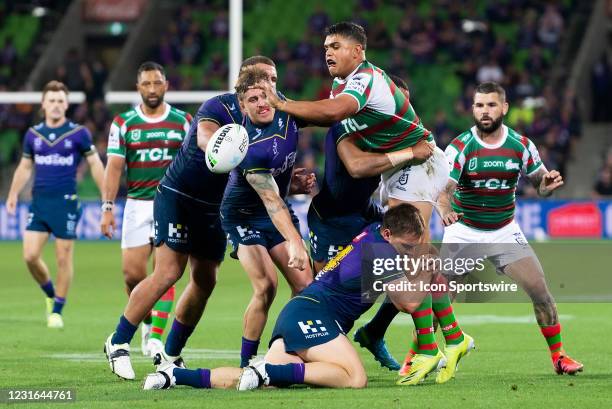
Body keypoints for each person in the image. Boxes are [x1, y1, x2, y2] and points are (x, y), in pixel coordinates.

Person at [262, 22, 471, 379]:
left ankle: (431, 346)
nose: (328, 50)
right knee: (393, 265)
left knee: (409, 257)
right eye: (326, 45)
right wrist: (273, 121)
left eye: (337, 45)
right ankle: (442, 339)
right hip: (337, 215)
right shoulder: (344, 93)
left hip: (416, 166)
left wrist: (280, 102)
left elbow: (336, 126)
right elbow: (325, 118)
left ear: (358, 51)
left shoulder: (361, 85)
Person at [103, 56, 314, 380]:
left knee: (205, 281)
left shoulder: (271, 116)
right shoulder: (219, 107)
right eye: (254, 85)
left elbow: (265, 174)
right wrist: (217, 147)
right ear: (241, 87)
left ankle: (170, 355)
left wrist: (290, 181)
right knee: (168, 272)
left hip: (214, 207)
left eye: (269, 82)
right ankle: (118, 342)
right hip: (179, 197)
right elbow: (204, 134)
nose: (263, 91)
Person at [142, 204, 443, 390]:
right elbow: (409, 303)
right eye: (406, 247)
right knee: (354, 378)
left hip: (299, 312)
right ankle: (267, 369)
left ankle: (175, 377)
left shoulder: (375, 233)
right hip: (315, 316)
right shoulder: (382, 251)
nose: (408, 253)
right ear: (388, 234)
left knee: (261, 383)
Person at [439, 81, 583, 375]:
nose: (485, 111)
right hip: (464, 230)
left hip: (505, 231)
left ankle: (559, 357)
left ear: (504, 108)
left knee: (540, 292)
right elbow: (444, 190)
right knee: (439, 296)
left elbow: (540, 183)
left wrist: (548, 184)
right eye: (479, 105)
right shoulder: (460, 146)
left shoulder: (521, 145)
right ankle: (421, 354)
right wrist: (445, 209)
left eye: (491, 105)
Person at [221, 66, 313, 369]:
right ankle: (247, 364)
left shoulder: (285, 108)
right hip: (243, 217)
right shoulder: (248, 147)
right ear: (243, 107)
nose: (262, 103)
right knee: (266, 286)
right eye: (253, 99)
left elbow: (322, 115)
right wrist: (295, 242)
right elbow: (271, 201)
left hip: (276, 209)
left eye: (265, 95)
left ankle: (280, 351)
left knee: (305, 286)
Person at [100, 62, 192, 356]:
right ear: (138, 87)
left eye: (157, 83)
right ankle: (144, 319)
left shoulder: (183, 122)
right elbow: (114, 168)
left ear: (166, 84)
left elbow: (194, 164)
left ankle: (155, 336)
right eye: (146, 84)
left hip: (172, 203)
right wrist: (107, 206)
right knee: (132, 274)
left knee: (167, 271)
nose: (152, 89)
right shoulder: (124, 123)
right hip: (137, 205)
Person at [6, 80, 104, 329]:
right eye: (52, 101)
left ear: (67, 104)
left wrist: (107, 195)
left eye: (61, 101)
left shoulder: (79, 133)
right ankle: (50, 293)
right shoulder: (33, 135)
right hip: (40, 203)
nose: (56, 105)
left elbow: (94, 163)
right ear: (43, 104)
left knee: (63, 257)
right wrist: (13, 193)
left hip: (66, 203)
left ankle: (57, 310)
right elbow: (26, 166)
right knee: (29, 256)